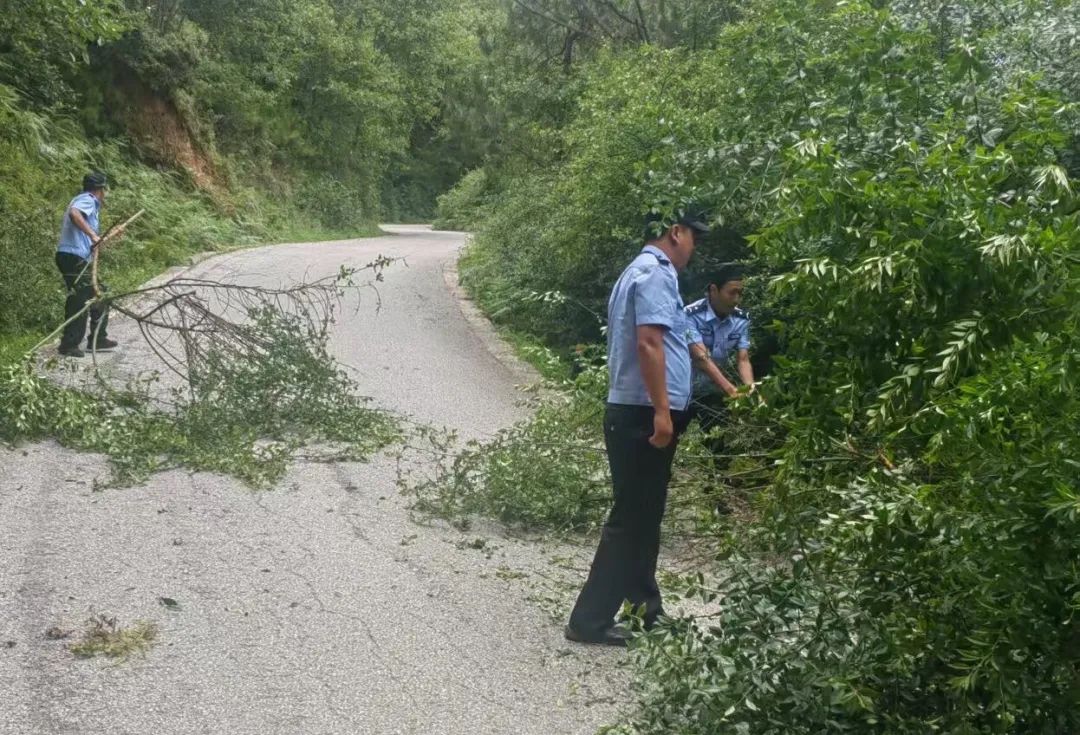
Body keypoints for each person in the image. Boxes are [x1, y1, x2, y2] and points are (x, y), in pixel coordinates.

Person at [564, 208, 709, 646]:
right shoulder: (656, 274)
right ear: (676, 232)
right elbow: (649, 343)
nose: (695, 248)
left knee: (644, 516)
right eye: (694, 237)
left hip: (636, 411)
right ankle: (589, 621)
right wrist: (663, 412)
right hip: (644, 414)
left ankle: (647, 612)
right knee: (632, 520)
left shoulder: (638, 270)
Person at [684, 265, 755, 447]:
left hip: (713, 390)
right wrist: (731, 391)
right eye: (732, 293)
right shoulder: (690, 315)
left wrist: (750, 390)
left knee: (718, 443)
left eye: (740, 293)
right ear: (714, 290)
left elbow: (743, 358)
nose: (736, 299)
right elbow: (701, 358)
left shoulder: (742, 320)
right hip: (683, 389)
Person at [55, 172, 120, 357]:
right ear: (101, 189)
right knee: (81, 297)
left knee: (101, 293)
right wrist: (92, 235)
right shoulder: (88, 199)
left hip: (77, 257)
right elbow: (74, 213)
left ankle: (98, 338)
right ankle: (69, 344)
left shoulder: (85, 201)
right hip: (72, 256)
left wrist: (95, 241)